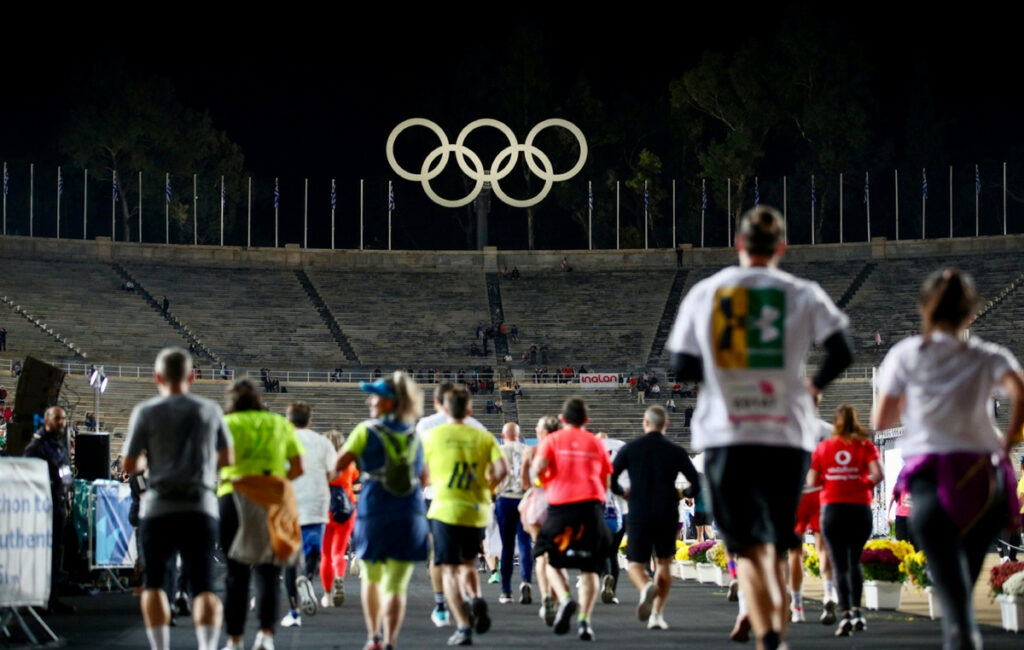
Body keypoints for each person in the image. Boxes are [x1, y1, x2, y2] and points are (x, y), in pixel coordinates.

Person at [666, 205, 853, 650]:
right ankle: (773, 629)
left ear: (739, 244)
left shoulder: (707, 292)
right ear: (782, 248)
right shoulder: (802, 292)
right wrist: (813, 385)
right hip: (786, 434)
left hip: (727, 434)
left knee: (747, 545)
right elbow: (842, 349)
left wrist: (723, 372)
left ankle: (766, 628)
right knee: (775, 539)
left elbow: (681, 365)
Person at [874, 268, 1024, 650]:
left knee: (950, 586)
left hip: (932, 479)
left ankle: (960, 631)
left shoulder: (907, 354)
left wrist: (913, 402)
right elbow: (1018, 389)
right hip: (982, 479)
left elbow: (881, 420)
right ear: (970, 313)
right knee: (966, 574)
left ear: (925, 308)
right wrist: (1010, 438)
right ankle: (962, 630)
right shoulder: (987, 354)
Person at [122, 348, 233, 650]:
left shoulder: (145, 411)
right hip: (200, 506)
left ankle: (161, 647)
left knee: (156, 583)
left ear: (158, 377)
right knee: (204, 587)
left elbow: (129, 465)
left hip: (158, 507)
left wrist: (148, 461)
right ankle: (207, 647)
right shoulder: (210, 410)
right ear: (192, 376)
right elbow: (228, 460)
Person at [335, 372, 429, 650]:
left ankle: (373, 637)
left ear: (388, 402)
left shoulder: (367, 430)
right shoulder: (415, 435)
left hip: (375, 511)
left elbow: (339, 464)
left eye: (374, 396)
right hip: (409, 513)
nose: (369, 401)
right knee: (397, 586)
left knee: (372, 579)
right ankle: (390, 641)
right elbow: (425, 478)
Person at [219, 380, 304, 650]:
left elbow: (216, 461)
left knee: (235, 574)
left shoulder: (227, 424)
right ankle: (266, 636)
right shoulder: (279, 424)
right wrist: (276, 483)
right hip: (272, 500)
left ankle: (234, 640)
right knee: (269, 572)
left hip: (233, 496)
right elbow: (298, 467)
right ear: (258, 398)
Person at [422, 388, 507, 646]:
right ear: (469, 411)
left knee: (448, 569)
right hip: (475, 507)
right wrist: (488, 487)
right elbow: (502, 469)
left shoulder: (432, 435)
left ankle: (463, 626)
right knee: (468, 563)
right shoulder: (482, 436)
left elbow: (419, 472)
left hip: (444, 507)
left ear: (444, 409)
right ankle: (476, 596)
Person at [531, 397, 613, 641]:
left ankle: (565, 598)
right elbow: (607, 481)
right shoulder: (596, 443)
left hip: (560, 509)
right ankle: (585, 622)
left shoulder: (552, 440)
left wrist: (545, 480)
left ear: (563, 419)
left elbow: (537, 470)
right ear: (586, 420)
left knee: (549, 560)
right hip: (590, 509)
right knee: (590, 571)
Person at [611, 406, 700, 631]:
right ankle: (657, 615)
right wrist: (683, 494)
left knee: (634, 564)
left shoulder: (630, 449)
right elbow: (696, 483)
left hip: (639, 510)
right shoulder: (676, 451)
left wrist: (623, 492)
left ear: (645, 423)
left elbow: (610, 477)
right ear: (666, 425)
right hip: (667, 511)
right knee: (663, 563)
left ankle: (644, 588)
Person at [416, 381, 488, 628]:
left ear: (438, 402)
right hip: (470, 498)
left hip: (437, 498)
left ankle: (441, 607)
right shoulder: (476, 427)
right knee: (468, 559)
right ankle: (473, 595)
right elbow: (494, 468)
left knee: (440, 556)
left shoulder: (426, 426)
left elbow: (417, 465)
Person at [807, 405, 882, 637]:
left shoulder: (823, 447)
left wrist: (830, 483)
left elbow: (811, 480)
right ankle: (859, 612)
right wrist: (863, 485)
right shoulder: (865, 445)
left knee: (838, 564)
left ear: (835, 423)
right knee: (854, 562)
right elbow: (878, 474)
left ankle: (846, 614)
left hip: (833, 509)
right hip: (860, 508)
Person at [280, 402, 336, 628]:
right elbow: (333, 473)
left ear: (288, 419)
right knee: (313, 550)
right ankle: (309, 578)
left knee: (289, 560)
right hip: (316, 501)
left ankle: (294, 612)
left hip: (289, 503)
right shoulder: (323, 442)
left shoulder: (282, 440)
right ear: (309, 420)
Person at [23, 406, 75, 614]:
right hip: (42, 510)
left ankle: (52, 597)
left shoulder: (60, 446)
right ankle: (37, 599)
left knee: (56, 555)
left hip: (59, 506)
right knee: (41, 555)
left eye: (63, 418)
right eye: (56, 419)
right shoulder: (36, 447)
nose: (61, 422)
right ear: (46, 421)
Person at [787, 419, 838, 625]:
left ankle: (797, 606)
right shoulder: (828, 430)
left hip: (795, 495)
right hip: (820, 494)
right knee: (823, 548)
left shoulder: (786, 426)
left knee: (794, 553)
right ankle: (828, 593)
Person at [520, 416, 561, 626]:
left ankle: (545, 595)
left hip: (537, 503)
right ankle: (554, 596)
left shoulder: (532, 451)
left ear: (543, 431)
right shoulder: (563, 451)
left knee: (541, 555)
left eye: (537, 426)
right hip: (558, 503)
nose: (535, 428)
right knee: (556, 555)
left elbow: (525, 483)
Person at [495, 422, 533, 606]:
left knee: (507, 546)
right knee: (525, 542)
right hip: (525, 499)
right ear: (519, 435)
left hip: (505, 499)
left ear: (503, 436)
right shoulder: (529, 450)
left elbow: (493, 476)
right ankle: (526, 581)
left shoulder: (499, 451)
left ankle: (506, 590)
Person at [321, 429, 358, 608]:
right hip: (346, 511)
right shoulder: (348, 464)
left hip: (324, 512)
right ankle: (339, 577)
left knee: (325, 554)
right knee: (339, 552)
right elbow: (355, 476)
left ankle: (327, 594)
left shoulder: (320, 463)